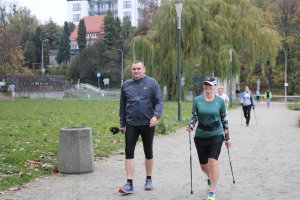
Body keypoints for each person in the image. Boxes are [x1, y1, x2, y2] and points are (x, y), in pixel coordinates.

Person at [118, 60, 163, 194]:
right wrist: (122, 123)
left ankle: (148, 179)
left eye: (138, 69)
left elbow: (159, 101)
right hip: (131, 123)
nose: (136, 71)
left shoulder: (152, 83)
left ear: (144, 69)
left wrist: (156, 116)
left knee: (148, 151)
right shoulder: (126, 85)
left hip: (148, 123)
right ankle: (129, 183)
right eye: (134, 69)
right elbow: (122, 106)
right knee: (129, 151)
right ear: (131, 70)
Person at [186, 77, 231, 200]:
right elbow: (194, 116)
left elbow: (224, 119)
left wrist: (227, 138)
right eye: (205, 84)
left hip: (216, 134)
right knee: (203, 165)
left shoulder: (220, 101)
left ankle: (212, 190)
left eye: (210, 85)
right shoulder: (197, 100)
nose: (207, 87)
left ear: (214, 86)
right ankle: (211, 177)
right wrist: (191, 125)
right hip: (200, 135)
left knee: (212, 162)